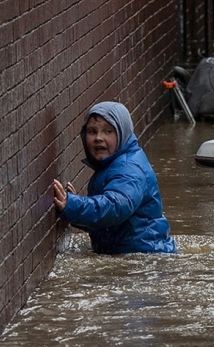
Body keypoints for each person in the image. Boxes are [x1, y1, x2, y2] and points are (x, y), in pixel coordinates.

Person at [51, 101, 177, 254]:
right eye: (92, 131)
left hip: (144, 257)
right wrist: (74, 210)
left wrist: (73, 204)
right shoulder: (112, 165)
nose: (98, 138)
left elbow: (115, 208)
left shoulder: (129, 169)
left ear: (122, 133)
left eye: (108, 131)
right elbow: (108, 224)